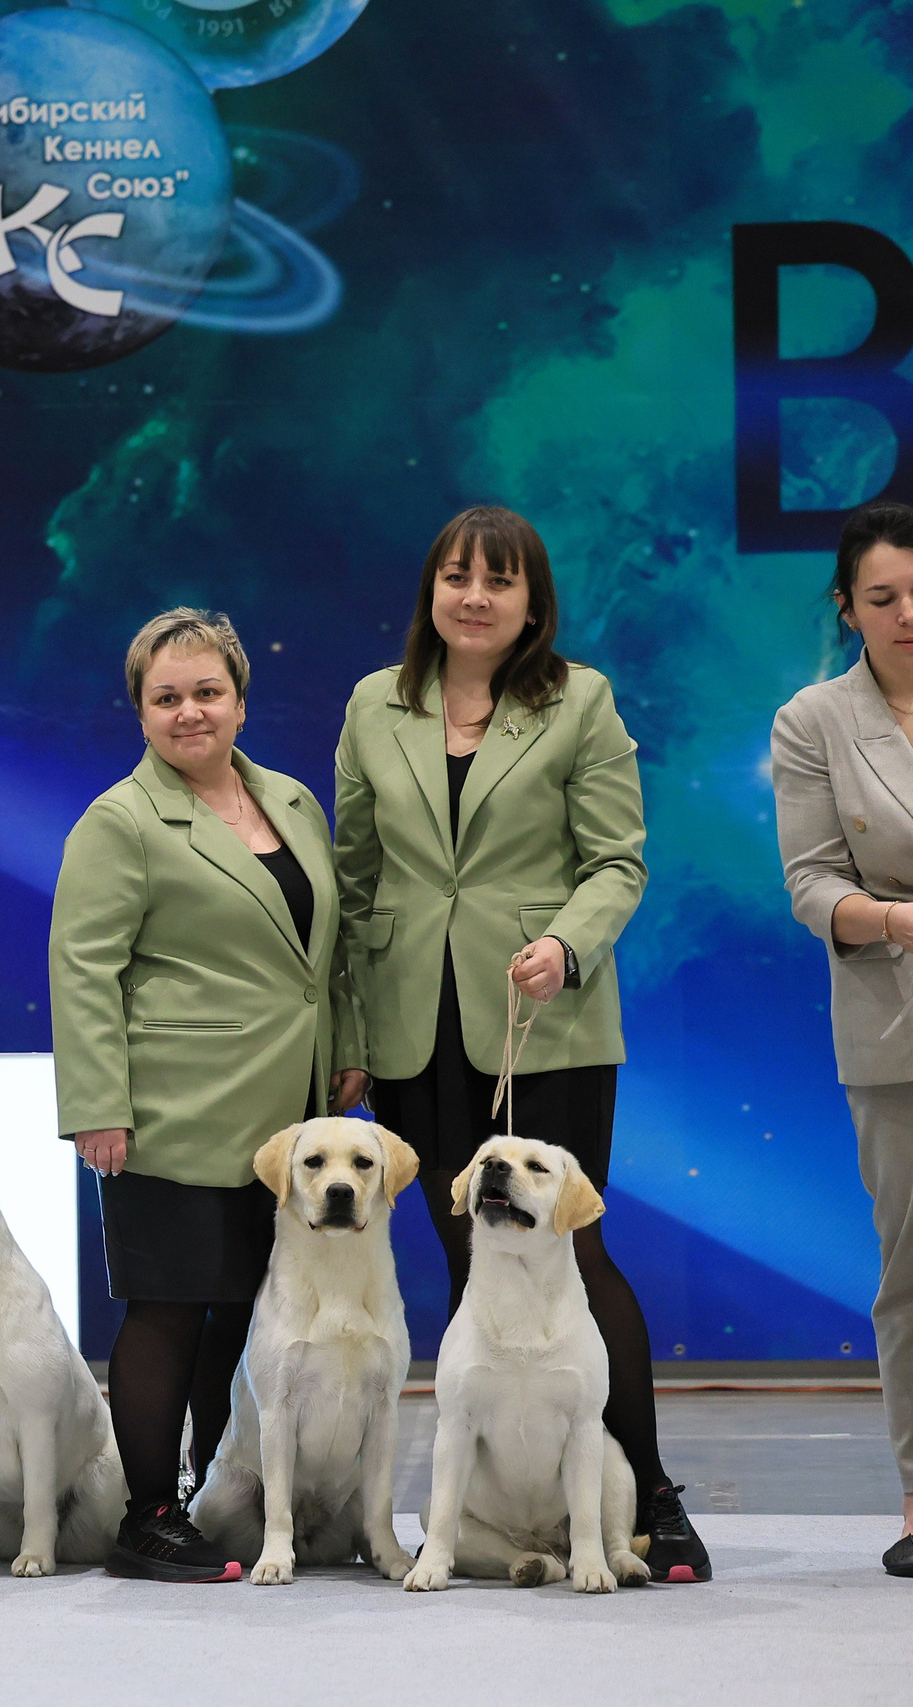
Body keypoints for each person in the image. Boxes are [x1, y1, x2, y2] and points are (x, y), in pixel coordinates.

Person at [334, 504, 708, 1581]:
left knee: (571, 1253)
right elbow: (357, 879)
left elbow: (617, 861)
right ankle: (496, 1514)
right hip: (415, 1022)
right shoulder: (375, 703)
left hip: (542, 1018)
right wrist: (352, 1028)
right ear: (430, 591)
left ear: (531, 604)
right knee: (465, 1252)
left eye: (499, 581)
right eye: (456, 576)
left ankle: (651, 1499)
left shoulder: (577, 700)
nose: (475, 596)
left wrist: (564, 942)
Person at [51, 608, 362, 1583]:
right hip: (172, 1105)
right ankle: (146, 1517)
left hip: (285, 1115)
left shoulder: (295, 804)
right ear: (140, 711)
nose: (189, 712)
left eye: (206, 692)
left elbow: (331, 951)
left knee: (244, 1315)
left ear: (239, 698)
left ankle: (215, 1499)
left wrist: (346, 1051)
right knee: (168, 1309)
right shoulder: (121, 820)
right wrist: (97, 1101)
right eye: (166, 697)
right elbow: (83, 967)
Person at [771, 498, 913, 1578]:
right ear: (847, 606)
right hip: (895, 1015)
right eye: (883, 597)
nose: (908, 613)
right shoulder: (813, 720)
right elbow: (812, 885)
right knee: (910, 1274)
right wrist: (899, 918)